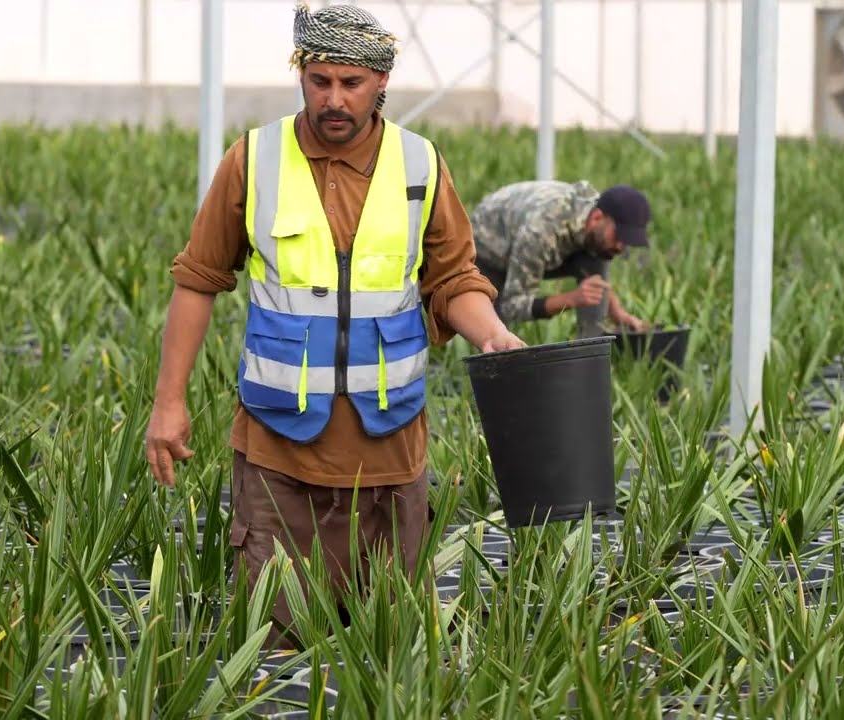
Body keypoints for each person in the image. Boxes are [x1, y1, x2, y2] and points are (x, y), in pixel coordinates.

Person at [143, 1, 525, 648]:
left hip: (389, 450)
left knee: (391, 649)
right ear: (300, 75)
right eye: (320, 81)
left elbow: (454, 278)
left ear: (381, 82)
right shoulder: (254, 159)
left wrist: (491, 332)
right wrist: (168, 402)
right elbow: (198, 278)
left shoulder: (421, 164)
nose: (334, 99)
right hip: (278, 450)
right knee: (273, 652)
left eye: (351, 83)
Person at [469, 180, 654, 339]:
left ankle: (591, 351)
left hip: (541, 237)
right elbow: (513, 306)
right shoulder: (541, 232)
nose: (621, 247)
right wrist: (571, 299)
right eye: (618, 236)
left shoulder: (597, 221)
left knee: (599, 255)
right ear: (597, 218)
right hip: (490, 247)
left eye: (627, 241)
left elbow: (597, 280)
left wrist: (617, 312)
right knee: (495, 334)